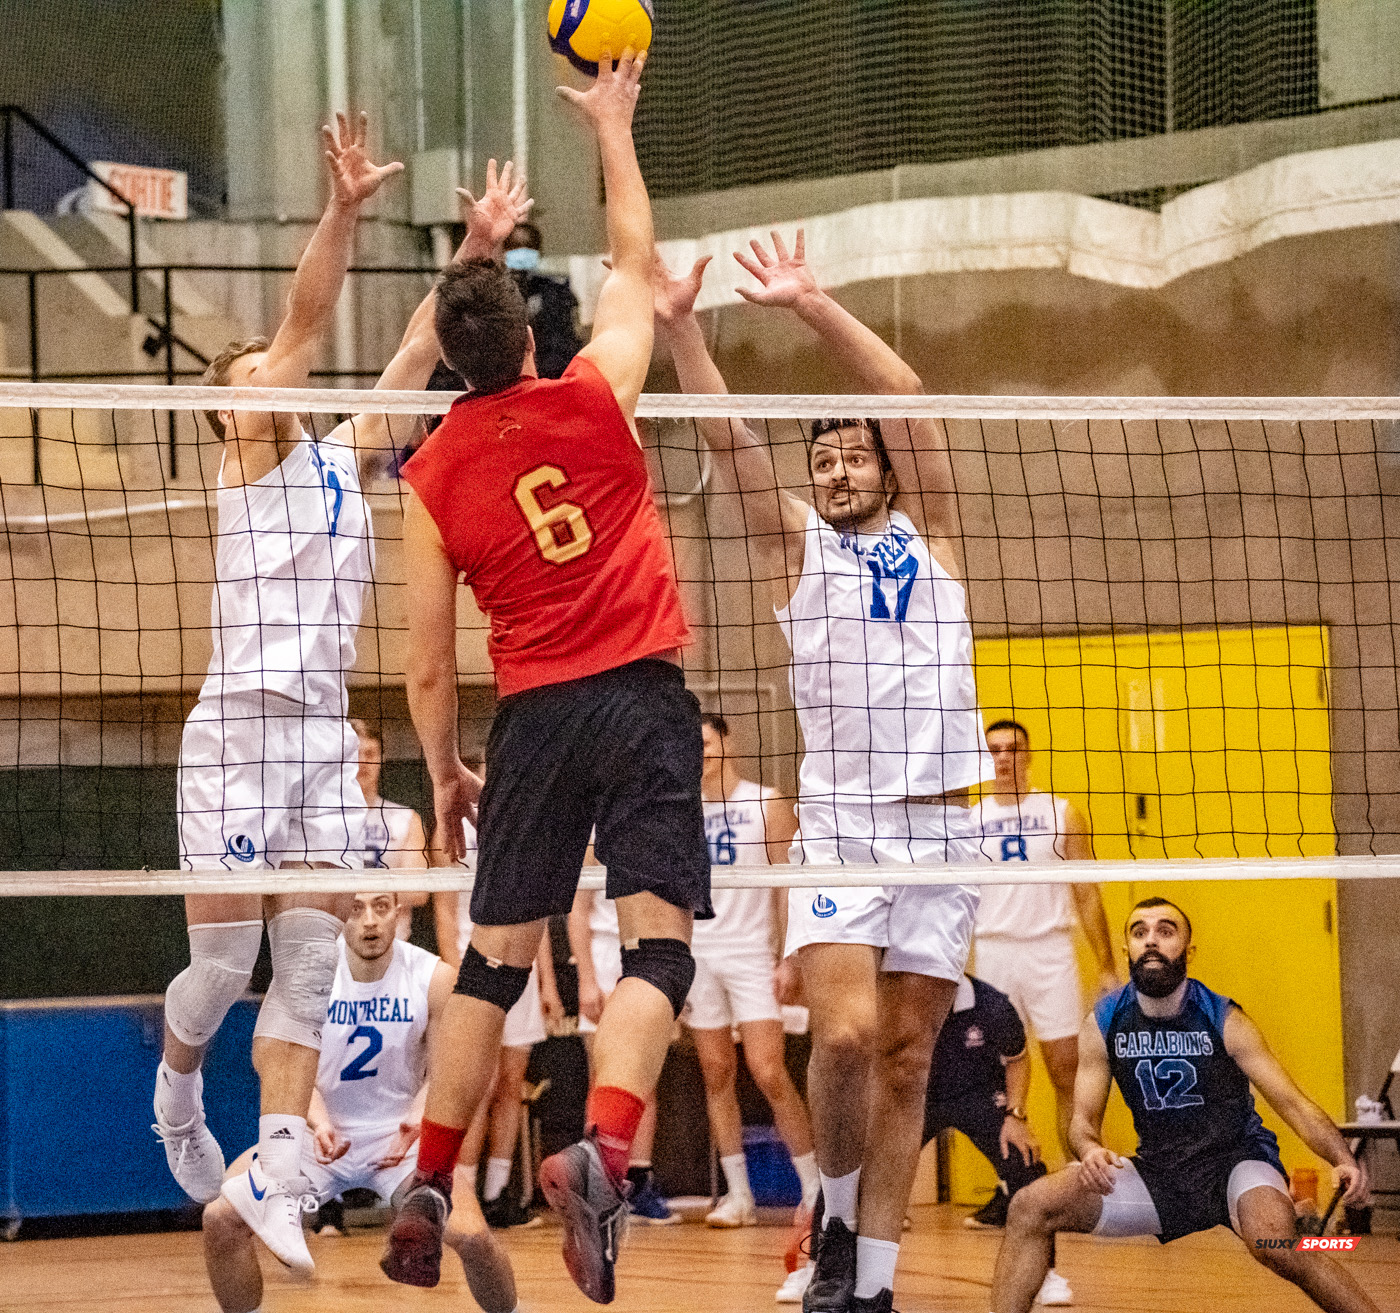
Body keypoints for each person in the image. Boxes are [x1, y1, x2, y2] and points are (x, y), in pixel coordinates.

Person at [153, 127, 532, 1276]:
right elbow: (306, 321)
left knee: (311, 969)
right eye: (248, 381)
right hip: (236, 730)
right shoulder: (249, 459)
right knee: (222, 972)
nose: (266, 383)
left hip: (319, 733)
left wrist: (475, 247)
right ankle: (176, 1094)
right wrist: (344, 209)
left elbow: (422, 340)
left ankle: (275, 1171)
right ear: (228, 416)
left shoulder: (345, 454)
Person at [382, 50, 711, 1306]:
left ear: (448, 357)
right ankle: (605, 1149)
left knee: (491, 960)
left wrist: (445, 771)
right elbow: (633, 262)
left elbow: (425, 665)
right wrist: (612, 124)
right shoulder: (592, 394)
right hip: (638, 697)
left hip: (530, 719)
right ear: (527, 337)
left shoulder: (429, 477)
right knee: (657, 949)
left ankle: (429, 1177)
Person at [652, 232, 990, 1313]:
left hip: (943, 826)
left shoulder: (935, 537)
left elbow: (905, 393)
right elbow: (729, 439)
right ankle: (835, 1217)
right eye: (825, 460)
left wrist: (810, 304)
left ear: (885, 467)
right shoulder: (796, 549)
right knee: (843, 1035)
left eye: (853, 456)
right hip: (843, 824)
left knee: (908, 1057)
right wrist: (681, 330)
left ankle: (871, 1283)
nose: (838, 470)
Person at [988, 897, 1379, 1313]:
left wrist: (1343, 1159)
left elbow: (1293, 1105)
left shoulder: (1223, 1018)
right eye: (1139, 932)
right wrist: (1089, 1150)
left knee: (1276, 1244)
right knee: (1029, 1206)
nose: (1151, 940)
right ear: (1126, 950)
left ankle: (1299, 1230)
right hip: (1159, 1173)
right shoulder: (1104, 1022)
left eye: (1165, 931)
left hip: (1236, 1163)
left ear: (1188, 951)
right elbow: (1082, 1122)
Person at [201, 891, 519, 1313]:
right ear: (340, 914)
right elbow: (273, 1061)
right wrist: (318, 1120)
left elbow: (451, 1071)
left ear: (399, 912)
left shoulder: (434, 977)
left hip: (401, 1140)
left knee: (474, 1238)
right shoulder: (307, 972)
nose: (369, 920)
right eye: (356, 908)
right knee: (220, 1219)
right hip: (317, 1139)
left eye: (380, 907)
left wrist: (419, 1117)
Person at [689, 714, 816, 1232]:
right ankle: (739, 1195)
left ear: (727, 743)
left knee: (769, 1072)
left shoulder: (766, 802)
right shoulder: (681, 809)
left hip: (751, 952)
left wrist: (789, 956)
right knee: (716, 1072)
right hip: (699, 953)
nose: (699, 753)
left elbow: (787, 884)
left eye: (705, 742)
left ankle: (815, 1191)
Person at [973, 719, 1118, 1160]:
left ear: (1029, 756)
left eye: (1013, 748)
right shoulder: (968, 821)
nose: (1003, 758)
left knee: (1066, 1070)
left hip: (1050, 951)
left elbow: (1086, 892)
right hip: (994, 951)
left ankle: (1079, 1173)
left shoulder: (1061, 813)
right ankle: (1012, 1182)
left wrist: (1107, 965)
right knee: (997, 1077)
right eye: (994, 750)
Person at [432, 797, 564, 1230]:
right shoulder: (453, 820)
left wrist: (547, 984)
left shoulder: (529, 819)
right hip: (475, 966)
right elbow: (444, 909)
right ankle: (462, 1194)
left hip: (522, 966)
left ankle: (498, 1195)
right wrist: (453, 970)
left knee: (511, 1085)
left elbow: (538, 914)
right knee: (479, 1087)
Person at [921, 975, 1070, 1307]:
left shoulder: (993, 1004)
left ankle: (1045, 1273)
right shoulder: (895, 998)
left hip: (981, 1097)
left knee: (1025, 1164)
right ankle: (824, 1268)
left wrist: (1016, 1116)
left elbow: (1017, 1058)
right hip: (916, 1099)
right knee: (857, 1169)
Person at [567, 884, 678, 1225]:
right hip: (605, 957)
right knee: (602, 1077)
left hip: (651, 958)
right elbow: (577, 911)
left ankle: (639, 1182)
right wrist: (587, 979)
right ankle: (600, 1185)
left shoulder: (663, 849)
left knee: (646, 1079)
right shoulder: (592, 850)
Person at [352, 717, 429, 940]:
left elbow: (418, 892)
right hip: (338, 944)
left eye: (370, 754)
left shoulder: (407, 818)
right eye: (355, 754)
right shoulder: (321, 819)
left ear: (381, 759)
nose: (362, 762)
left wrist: (349, 891)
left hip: (394, 942)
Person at [504, 220, 585, 379]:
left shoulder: (557, 291)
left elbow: (569, 339)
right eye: (515, 246)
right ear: (504, 251)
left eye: (529, 246)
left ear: (538, 251)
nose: (522, 252)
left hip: (552, 373)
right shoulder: (496, 292)